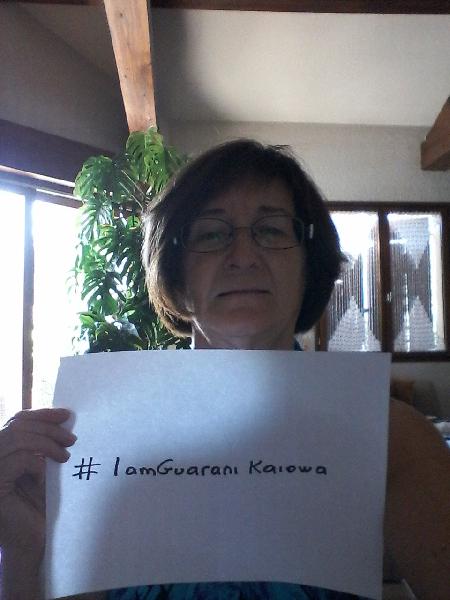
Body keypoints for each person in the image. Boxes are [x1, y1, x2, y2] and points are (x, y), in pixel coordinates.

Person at [1, 140, 449, 600]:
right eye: (212, 234)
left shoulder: (391, 439)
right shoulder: (93, 438)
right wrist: (26, 550)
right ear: (176, 275)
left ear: (308, 265)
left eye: (271, 230)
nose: (243, 256)